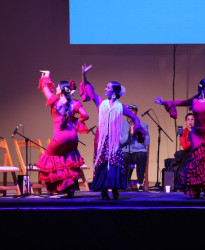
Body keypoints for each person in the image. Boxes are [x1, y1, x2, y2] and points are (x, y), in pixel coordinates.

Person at [154, 61, 205, 198]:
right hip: (197, 134)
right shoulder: (194, 101)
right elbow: (179, 103)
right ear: (202, 88)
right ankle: (196, 190)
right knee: (197, 161)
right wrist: (163, 102)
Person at [79, 64, 145, 200]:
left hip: (114, 142)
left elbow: (135, 117)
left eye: (108, 87)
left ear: (114, 92)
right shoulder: (100, 102)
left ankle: (115, 190)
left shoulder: (121, 107)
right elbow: (89, 89)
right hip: (102, 139)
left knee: (114, 163)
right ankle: (103, 190)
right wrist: (84, 74)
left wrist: (137, 129)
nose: (105, 89)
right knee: (103, 163)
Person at [37, 70, 89, 198]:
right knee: (64, 160)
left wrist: (47, 75)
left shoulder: (55, 101)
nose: (56, 89)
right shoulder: (73, 103)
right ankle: (69, 187)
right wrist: (75, 121)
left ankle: (62, 186)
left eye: (58, 87)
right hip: (73, 138)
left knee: (49, 158)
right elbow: (85, 115)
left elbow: (44, 87)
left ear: (61, 90)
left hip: (61, 137)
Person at [120, 104, 150, 192]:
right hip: (126, 151)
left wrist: (138, 133)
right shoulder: (121, 125)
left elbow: (147, 142)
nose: (131, 113)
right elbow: (120, 142)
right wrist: (130, 134)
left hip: (138, 151)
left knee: (141, 155)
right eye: (128, 111)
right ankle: (125, 183)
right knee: (124, 156)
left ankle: (140, 183)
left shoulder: (143, 125)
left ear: (136, 113)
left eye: (133, 111)